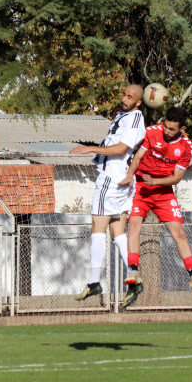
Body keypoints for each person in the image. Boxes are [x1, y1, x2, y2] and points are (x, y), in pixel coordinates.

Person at [118, 106, 192, 309]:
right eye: (166, 126)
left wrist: (156, 183)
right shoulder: (151, 132)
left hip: (163, 190)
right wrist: (129, 176)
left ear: (182, 129)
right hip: (141, 187)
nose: (167, 131)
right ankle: (133, 270)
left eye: (172, 129)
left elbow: (177, 177)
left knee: (179, 233)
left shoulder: (186, 147)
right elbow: (138, 157)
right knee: (133, 227)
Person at [70, 84, 146, 302]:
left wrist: (91, 148)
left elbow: (121, 148)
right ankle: (134, 275)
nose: (124, 98)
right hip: (121, 181)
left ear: (138, 102)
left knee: (97, 228)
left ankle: (94, 282)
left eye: (130, 97)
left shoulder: (133, 119)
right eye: (123, 94)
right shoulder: (125, 115)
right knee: (118, 231)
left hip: (111, 180)